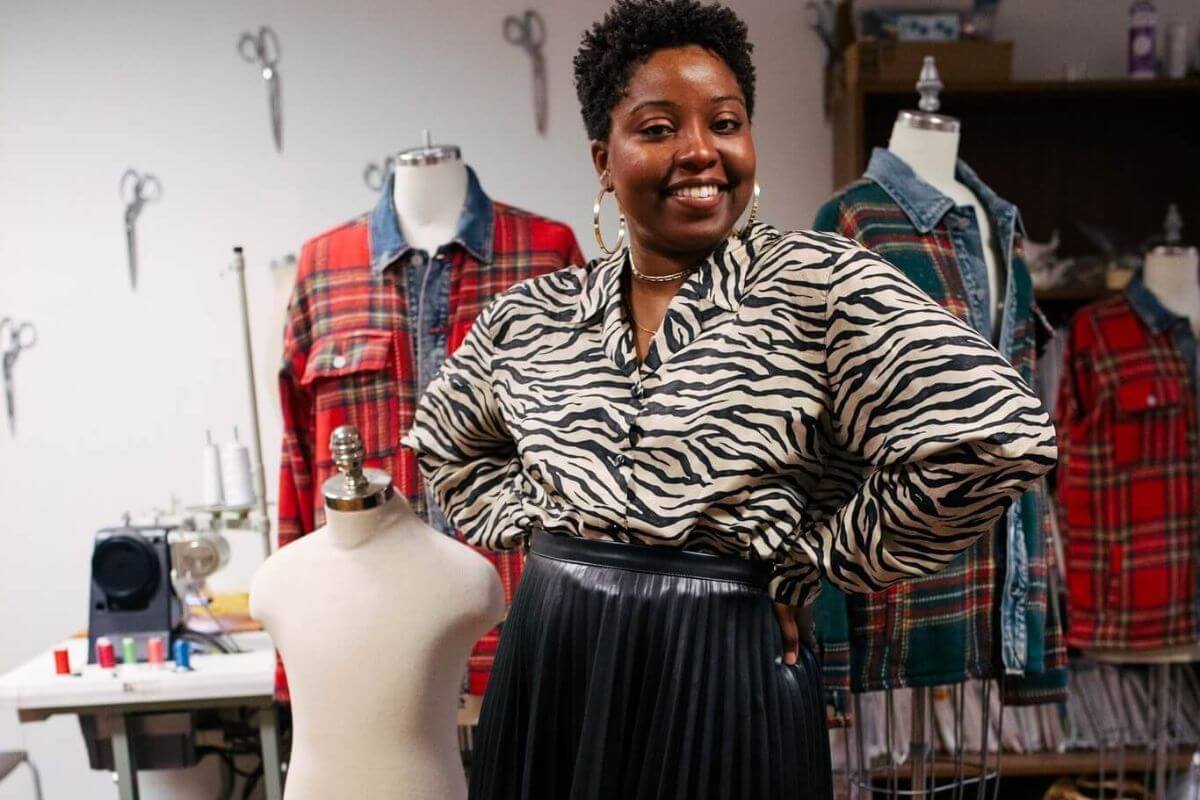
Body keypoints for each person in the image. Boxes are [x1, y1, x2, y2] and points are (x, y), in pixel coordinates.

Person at [402, 1, 1058, 797]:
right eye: (656, 129)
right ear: (603, 158)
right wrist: (545, 528)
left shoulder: (821, 285)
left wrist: (813, 561)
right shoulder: (534, 314)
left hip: (727, 657)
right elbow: (445, 442)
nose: (700, 152)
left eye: (725, 122)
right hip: (558, 653)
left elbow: (999, 435)